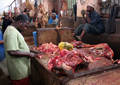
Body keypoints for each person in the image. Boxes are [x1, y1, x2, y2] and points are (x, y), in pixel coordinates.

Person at [3, 15, 38, 85]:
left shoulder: (13, 30)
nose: (26, 28)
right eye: (25, 25)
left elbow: (18, 48)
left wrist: (31, 51)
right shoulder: (11, 32)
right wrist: (29, 54)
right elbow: (12, 51)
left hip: (20, 68)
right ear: (20, 22)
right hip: (18, 70)